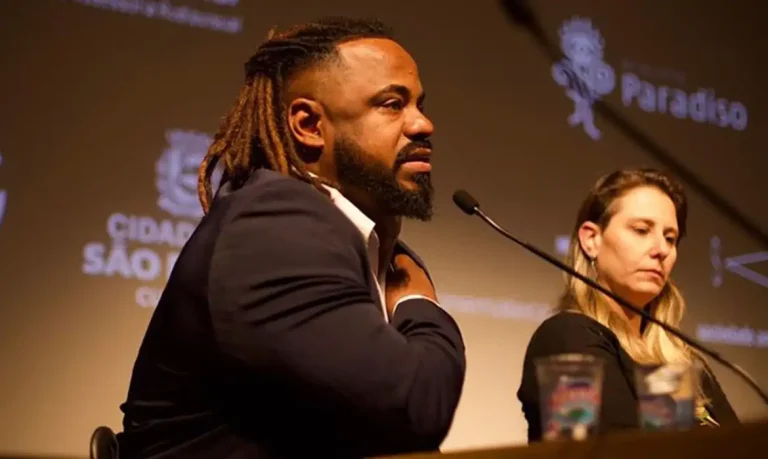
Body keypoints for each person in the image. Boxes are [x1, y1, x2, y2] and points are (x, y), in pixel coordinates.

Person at [117, 17, 466, 459]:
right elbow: (415, 409)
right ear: (308, 124)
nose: (423, 124)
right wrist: (418, 303)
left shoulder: (328, 230)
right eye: (392, 104)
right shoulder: (273, 228)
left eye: (419, 104)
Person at [517, 168, 738, 442]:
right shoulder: (567, 336)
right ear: (591, 240)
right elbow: (615, 450)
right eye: (642, 230)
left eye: (670, 238)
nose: (661, 249)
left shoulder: (681, 357)